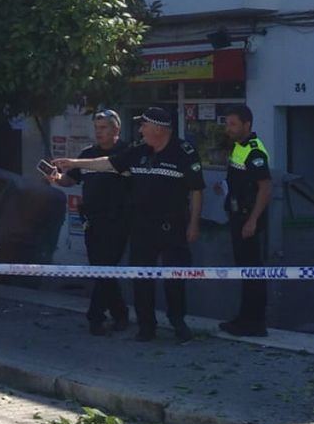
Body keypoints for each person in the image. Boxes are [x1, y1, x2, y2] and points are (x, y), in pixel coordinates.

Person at [55, 106, 203, 344]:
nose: (140, 129)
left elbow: (197, 190)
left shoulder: (184, 152)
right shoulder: (138, 151)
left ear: (158, 128)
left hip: (173, 226)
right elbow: (108, 163)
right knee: (141, 278)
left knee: (174, 278)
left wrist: (194, 224)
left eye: (144, 125)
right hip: (142, 225)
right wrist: (74, 162)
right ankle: (146, 328)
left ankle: (178, 323)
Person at [48, 110, 131, 336]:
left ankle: (95, 317)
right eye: (96, 128)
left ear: (116, 129)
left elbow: (110, 165)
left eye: (103, 128)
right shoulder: (87, 153)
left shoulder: (126, 153)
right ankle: (121, 314)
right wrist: (56, 178)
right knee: (102, 271)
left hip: (117, 222)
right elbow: (70, 179)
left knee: (106, 268)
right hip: (92, 223)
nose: (99, 132)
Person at [220, 104, 273, 337]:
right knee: (244, 270)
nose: (228, 128)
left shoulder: (254, 151)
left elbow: (265, 187)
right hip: (237, 216)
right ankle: (244, 318)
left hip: (248, 219)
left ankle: (255, 322)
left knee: (252, 271)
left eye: (232, 124)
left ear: (246, 125)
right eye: (227, 123)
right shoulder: (238, 148)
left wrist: (252, 220)